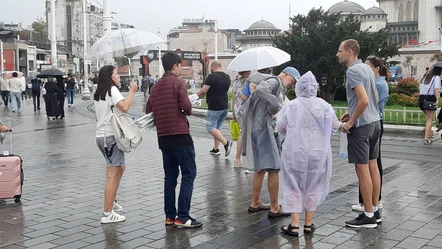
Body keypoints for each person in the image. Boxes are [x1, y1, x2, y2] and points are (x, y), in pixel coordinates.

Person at [278, 71, 341, 236]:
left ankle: (294, 225)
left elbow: (281, 128)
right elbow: (335, 126)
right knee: (313, 185)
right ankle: (308, 224)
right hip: (318, 152)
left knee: (293, 185)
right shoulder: (325, 106)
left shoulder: (291, 106)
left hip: (294, 151)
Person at [146, 52, 203, 228]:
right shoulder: (178, 82)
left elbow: (149, 109)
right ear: (176, 66)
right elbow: (186, 107)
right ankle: (183, 216)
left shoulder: (155, 86)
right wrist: (189, 105)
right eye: (180, 66)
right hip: (180, 136)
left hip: (163, 138)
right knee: (188, 174)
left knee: (170, 177)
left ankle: (170, 216)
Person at [242, 66, 299, 217]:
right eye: (292, 81)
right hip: (266, 130)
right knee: (274, 168)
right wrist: (274, 105)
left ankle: (255, 202)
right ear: (286, 74)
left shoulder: (272, 82)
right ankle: (275, 207)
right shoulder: (275, 81)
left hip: (258, 128)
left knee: (261, 168)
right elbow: (262, 90)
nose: (291, 85)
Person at [336, 39, 381, 228]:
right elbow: (374, 97)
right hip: (375, 122)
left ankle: (368, 215)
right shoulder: (366, 68)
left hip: (362, 126)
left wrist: (351, 121)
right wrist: (351, 109)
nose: (337, 54)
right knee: (373, 168)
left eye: (340, 51)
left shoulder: (353, 71)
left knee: (362, 171)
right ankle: (375, 211)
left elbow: (363, 100)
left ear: (350, 52)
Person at [94, 65, 138, 224]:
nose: (119, 76)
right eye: (117, 74)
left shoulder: (100, 92)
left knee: (119, 168)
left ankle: (111, 201)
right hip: (111, 137)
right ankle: (107, 213)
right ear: (110, 76)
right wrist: (132, 90)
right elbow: (125, 107)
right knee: (113, 175)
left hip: (102, 137)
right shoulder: (111, 90)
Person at [351, 56, 389, 212]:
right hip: (375, 121)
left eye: (368, 66)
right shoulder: (379, 82)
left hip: (368, 121)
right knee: (373, 164)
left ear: (376, 68)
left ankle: (370, 205)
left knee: (367, 166)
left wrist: (351, 120)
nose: (365, 69)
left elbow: (366, 101)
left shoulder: (378, 83)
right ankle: (373, 203)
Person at [198, 61, 233, 157]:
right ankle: (215, 149)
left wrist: (196, 98)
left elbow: (203, 91)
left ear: (213, 67)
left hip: (214, 107)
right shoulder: (227, 77)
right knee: (217, 128)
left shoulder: (211, 77)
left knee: (210, 127)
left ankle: (226, 143)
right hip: (225, 106)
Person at [231, 71, 251, 167]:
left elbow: (233, 98)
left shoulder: (236, 82)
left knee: (241, 133)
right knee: (247, 135)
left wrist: (233, 113)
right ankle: (247, 160)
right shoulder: (250, 81)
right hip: (247, 110)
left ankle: (237, 159)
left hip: (238, 110)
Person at [419, 67, 441, 144]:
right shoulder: (436, 77)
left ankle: (428, 134)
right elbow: (436, 89)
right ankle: (426, 138)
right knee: (429, 119)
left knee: (428, 118)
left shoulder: (426, 77)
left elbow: (420, 88)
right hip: (430, 99)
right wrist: (437, 99)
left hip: (422, 98)